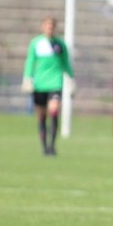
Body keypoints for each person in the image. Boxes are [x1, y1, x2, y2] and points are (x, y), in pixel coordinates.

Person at [22, 16, 75, 156]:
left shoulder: (60, 44)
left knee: (54, 110)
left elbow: (66, 62)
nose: (49, 28)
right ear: (43, 27)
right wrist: (27, 78)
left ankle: (52, 146)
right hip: (39, 84)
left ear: (54, 27)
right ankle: (44, 147)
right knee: (41, 116)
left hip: (55, 83)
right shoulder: (36, 43)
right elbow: (30, 61)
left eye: (52, 25)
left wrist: (71, 78)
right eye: (47, 25)